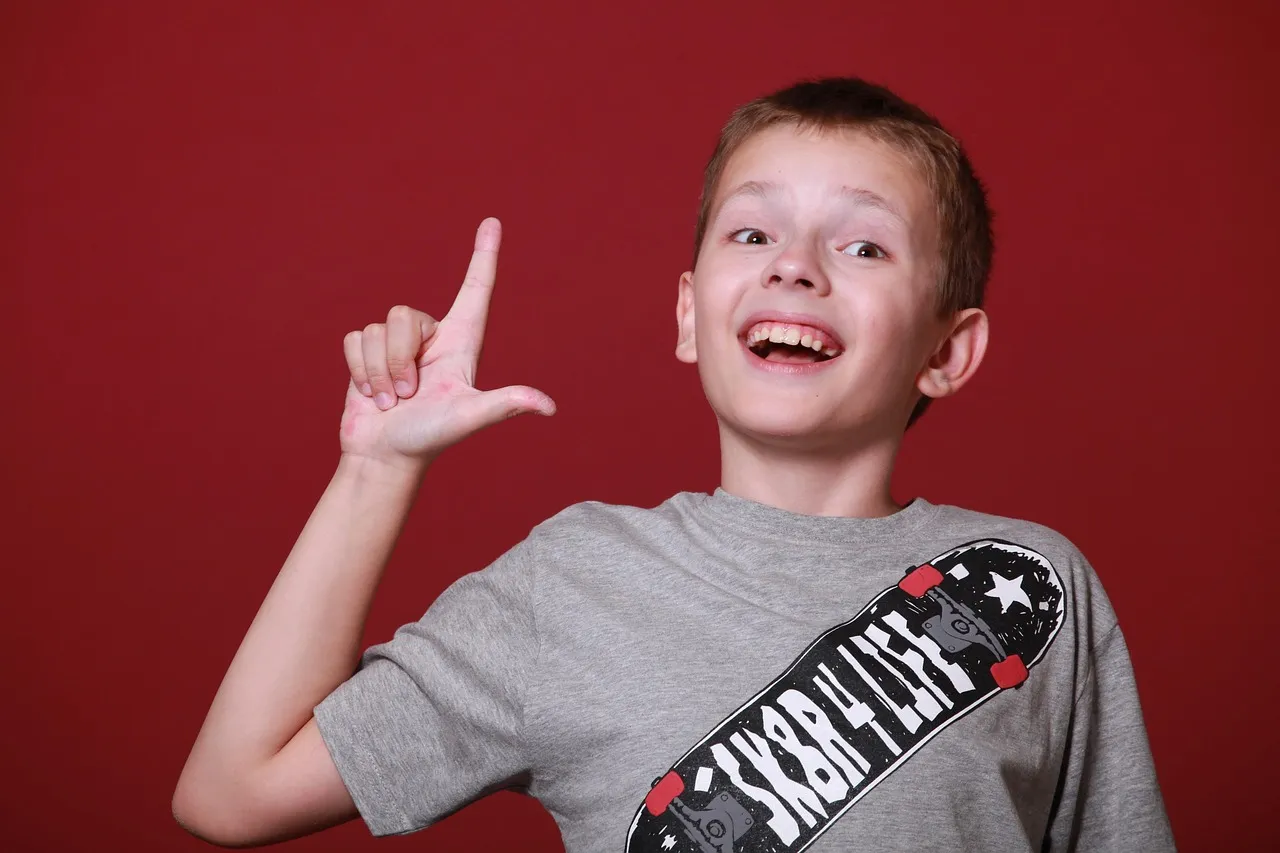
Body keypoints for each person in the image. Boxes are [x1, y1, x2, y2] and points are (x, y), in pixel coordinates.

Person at [172, 77, 1175, 852]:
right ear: (689, 314)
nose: (794, 264)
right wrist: (375, 467)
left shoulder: (1028, 587)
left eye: (863, 246)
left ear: (945, 350)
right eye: (751, 231)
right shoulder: (570, 584)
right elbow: (231, 791)